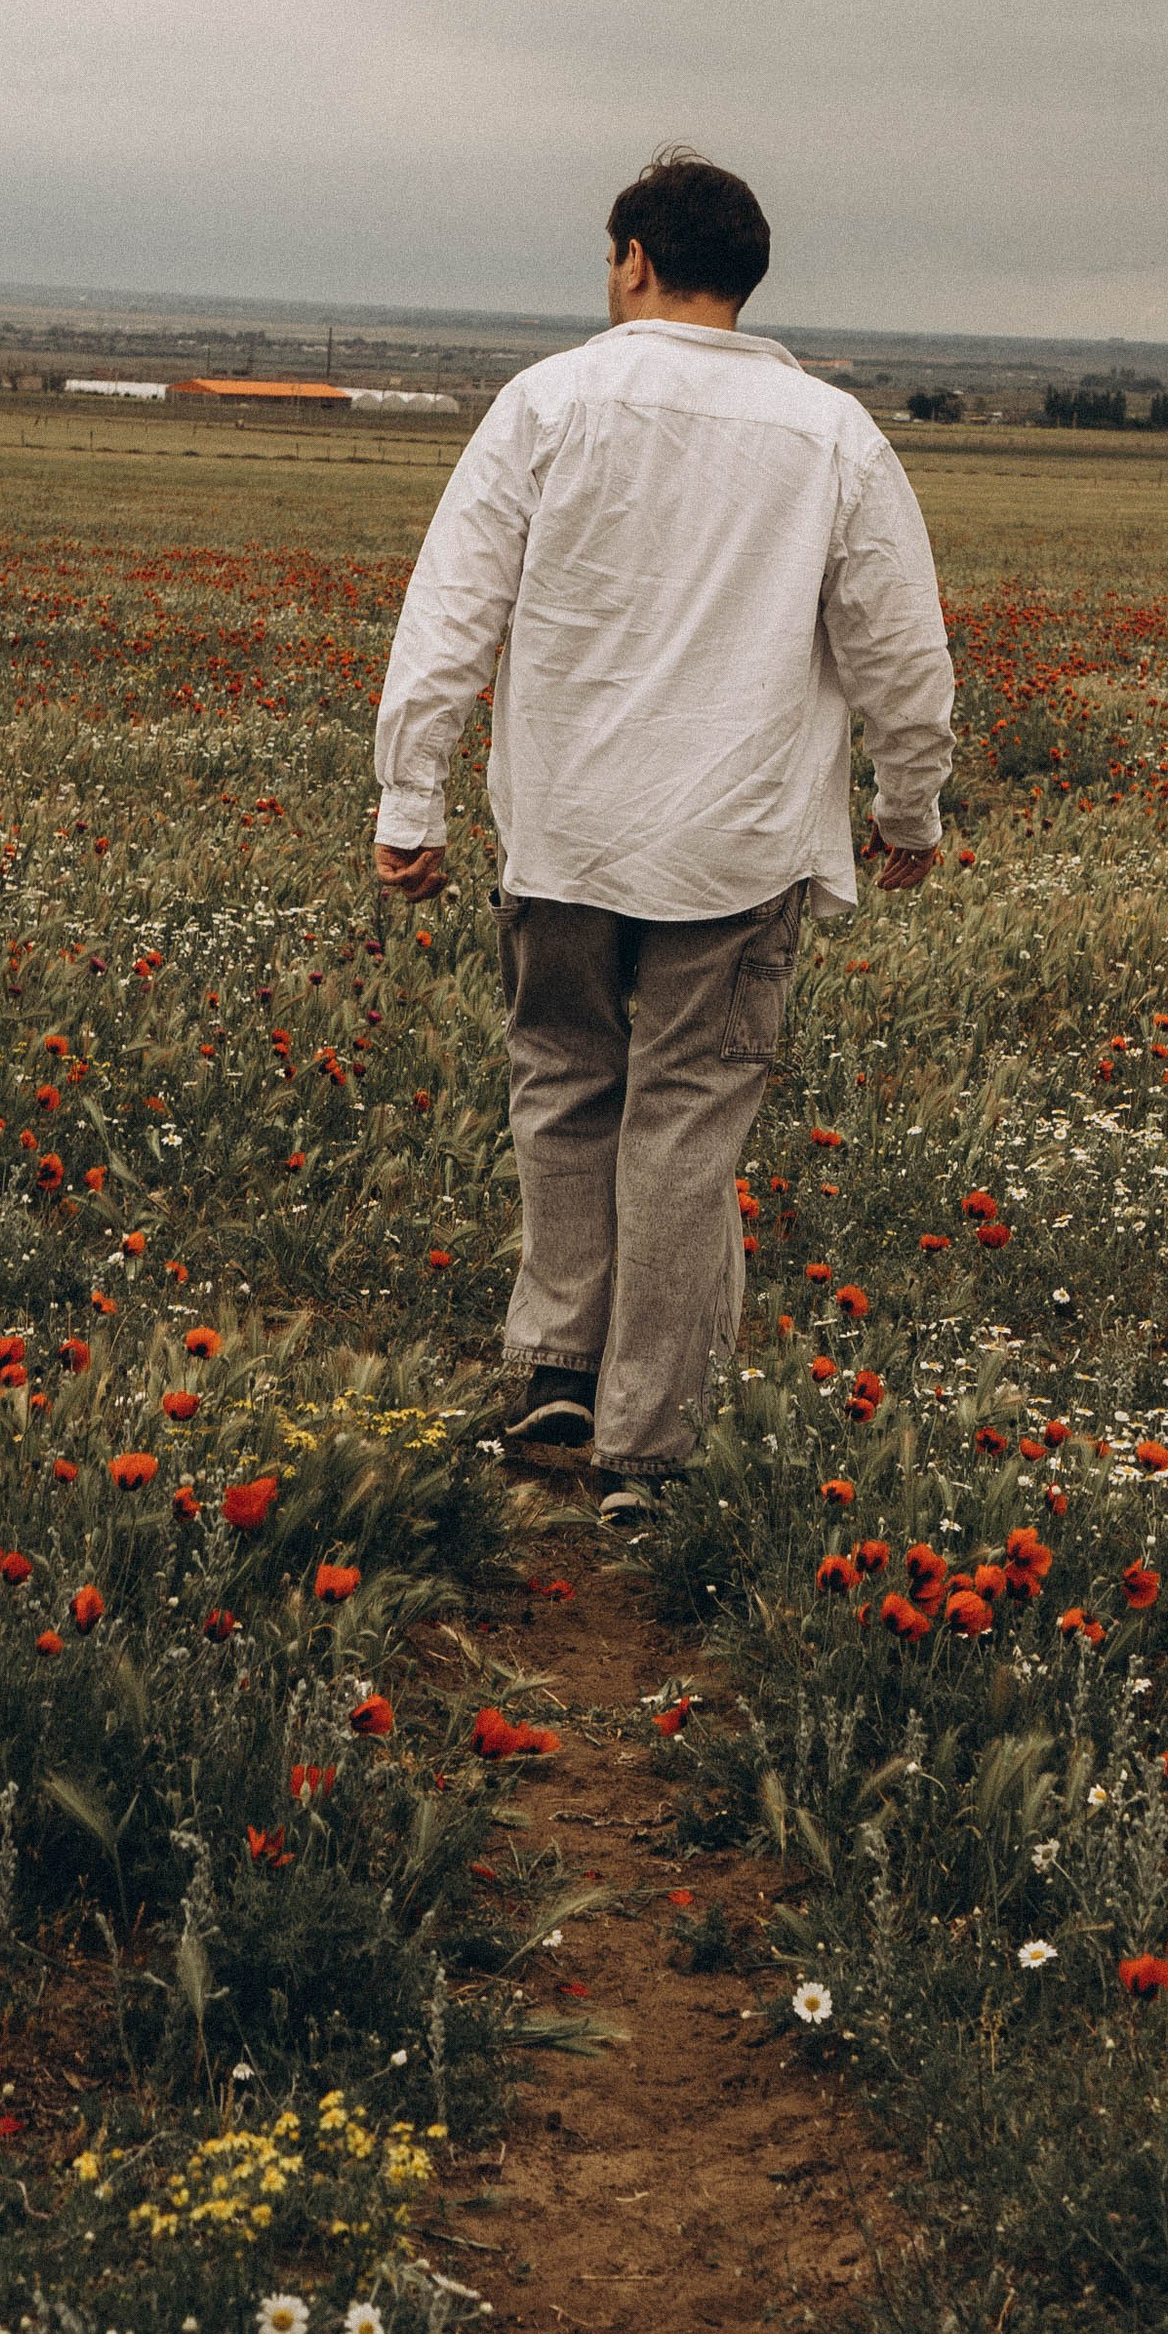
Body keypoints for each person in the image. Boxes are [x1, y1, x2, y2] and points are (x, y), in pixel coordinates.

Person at [370, 151, 954, 1528]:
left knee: (561, 1086)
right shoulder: (833, 436)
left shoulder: (545, 404)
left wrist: (414, 796)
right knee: (687, 1122)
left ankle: (556, 1367)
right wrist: (906, 807)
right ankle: (648, 1447)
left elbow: (451, 607)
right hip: (735, 845)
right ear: (742, 276)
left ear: (635, 255)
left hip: (564, 831)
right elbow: (901, 653)